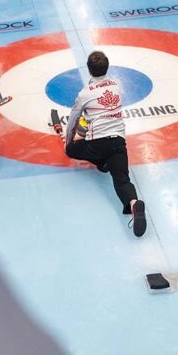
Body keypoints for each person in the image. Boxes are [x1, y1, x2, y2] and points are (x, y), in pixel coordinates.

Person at [63, 51, 146, 237]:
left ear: (89, 69)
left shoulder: (85, 94)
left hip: (98, 143)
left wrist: (69, 142)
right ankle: (134, 202)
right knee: (122, 180)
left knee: (72, 150)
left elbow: (73, 120)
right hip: (118, 141)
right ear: (106, 68)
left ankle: (102, 162)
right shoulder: (116, 85)